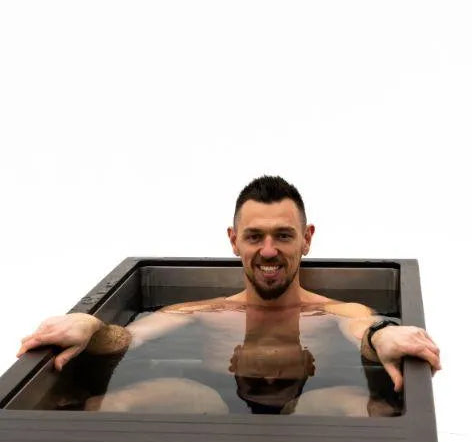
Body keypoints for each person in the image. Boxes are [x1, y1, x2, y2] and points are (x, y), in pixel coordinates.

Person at [16, 176, 441, 416]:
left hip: (311, 404)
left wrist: (386, 335)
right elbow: (129, 338)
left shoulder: (336, 311)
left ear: (307, 239)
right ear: (234, 240)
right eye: (255, 236)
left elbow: (365, 328)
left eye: (283, 235)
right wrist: (89, 325)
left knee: (369, 412)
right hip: (212, 404)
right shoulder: (201, 311)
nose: (269, 251)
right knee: (120, 403)